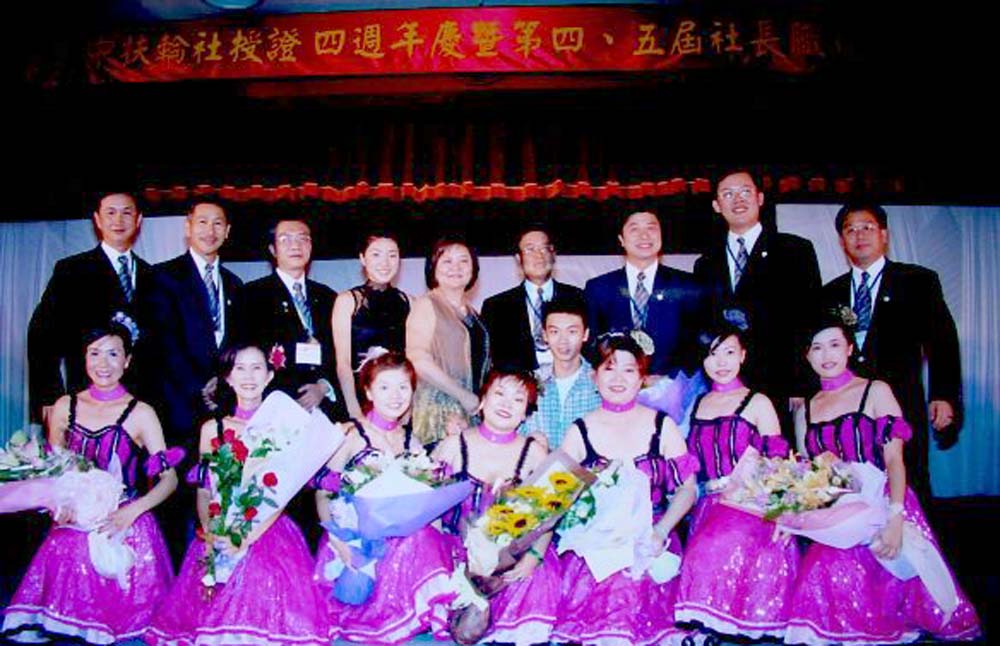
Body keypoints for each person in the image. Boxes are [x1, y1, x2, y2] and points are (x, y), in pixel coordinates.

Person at [784, 308, 979, 644]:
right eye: (817, 347)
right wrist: (785, 516)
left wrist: (895, 518)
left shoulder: (875, 391)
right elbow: (808, 477)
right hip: (835, 515)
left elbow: (894, 461)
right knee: (819, 579)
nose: (826, 355)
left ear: (850, 348)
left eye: (834, 344)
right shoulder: (806, 410)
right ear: (807, 356)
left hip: (885, 503)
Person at [3, 324, 179, 644]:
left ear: (127, 361)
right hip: (74, 519)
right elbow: (54, 470)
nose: (103, 363)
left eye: (113, 354)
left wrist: (132, 511)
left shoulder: (141, 412)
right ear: (83, 359)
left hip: (124, 521)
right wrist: (59, 504)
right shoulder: (64, 406)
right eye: (94, 354)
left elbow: (170, 479)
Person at [147, 343, 331, 646]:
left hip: (268, 528)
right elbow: (205, 489)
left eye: (257, 368)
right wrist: (210, 533)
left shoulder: (286, 426)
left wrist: (246, 537)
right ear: (227, 378)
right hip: (220, 526)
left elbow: (282, 493)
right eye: (239, 368)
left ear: (270, 375)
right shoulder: (213, 428)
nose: (249, 376)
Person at [553, 333, 698, 646]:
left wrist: (661, 531)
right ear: (594, 377)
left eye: (629, 370)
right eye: (609, 368)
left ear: (642, 379)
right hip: (596, 538)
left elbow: (688, 488)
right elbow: (554, 495)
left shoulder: (662, 425)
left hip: (652, 534)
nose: (618, 378)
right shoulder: (580, 430)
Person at [821, 200, 963, 500]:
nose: (859, 235)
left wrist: (943, 395)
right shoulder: (830, 292)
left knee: (910, 483)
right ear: (841, 240)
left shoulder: (917, 281)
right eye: (850, 230)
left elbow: (942, 341)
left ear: (884, 234)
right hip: (848, 410)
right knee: (852, 490)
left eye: (867, 227)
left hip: (901, 401)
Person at [313, 351, 453, 645]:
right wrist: (339, 542)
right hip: (353, 538)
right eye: (385, 387)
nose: (395, 396)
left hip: (404, 541)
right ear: (368, 391)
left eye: (403, 387)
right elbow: (324, 493)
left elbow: (426, 503)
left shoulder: (412, 442)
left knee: (427, 536)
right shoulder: (351, 435)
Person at [674, 312, 798, 640]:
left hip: (751, 508)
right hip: (707, 508)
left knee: (713, 554)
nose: (721, 362)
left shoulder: (757, 401)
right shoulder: (697, 403)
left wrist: (785, 515)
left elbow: (777, 461)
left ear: (743, 355)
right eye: (712, 353)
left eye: (729, 352)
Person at [434, 369, 560, 645]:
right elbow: (428, 510)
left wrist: (533, 558)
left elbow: (549, 518)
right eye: (499, 394)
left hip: (513, 558)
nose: (506, 404)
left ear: (525, 413)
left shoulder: (535, 453)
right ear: (482, 400)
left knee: (535, 579)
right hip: (456, 552)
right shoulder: (453, 445)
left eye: (518, 399)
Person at [693, 169, 821, 412]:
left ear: (760, 198)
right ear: (716, 205)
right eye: (728, 194)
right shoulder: (706, 262)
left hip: (780, 382)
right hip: (725, 384)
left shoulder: (794, 250)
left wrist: (801, 382)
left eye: (745, 192)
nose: (738, 199)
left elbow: (809, 318)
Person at [28, 191, 151, 424]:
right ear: (97, 219)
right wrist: (49, 396)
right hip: (85, 399)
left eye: (127, 213)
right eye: (110, 213)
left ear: (138, 220)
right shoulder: (71, 271)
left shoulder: (153, 275)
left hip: (140, 403)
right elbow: (41, 337)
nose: (118, 220)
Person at [143, 201, 244, 448]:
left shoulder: (235, 284)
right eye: (202, 222)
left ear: (227, 231)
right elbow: (162, 342)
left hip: (225, 404)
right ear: (188, 228)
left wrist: (223, 383)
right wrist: (200, 386)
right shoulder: (163, 277)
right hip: (178, 404)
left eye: (217, 223)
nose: (210, 231)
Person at [584, 210, 708, 380]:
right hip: (617, 385)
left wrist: (669, 381)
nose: (644, 236)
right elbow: (591, 344)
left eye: (651, 228)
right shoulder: (599, 288)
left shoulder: (687, 286)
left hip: (673, 386)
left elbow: (697, 343)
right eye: (634, 229)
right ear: (621, 240)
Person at [243, 217, 343, 422]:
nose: (295, 245)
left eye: (303, 238)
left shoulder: (329, 297)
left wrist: (324, 387)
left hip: (325, 408)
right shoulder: (251, 296)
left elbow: (341, 354)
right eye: (285, 239)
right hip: (274, 409)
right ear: (273, 250)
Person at [406, 236, 490, 444]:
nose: (456, 267)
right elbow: (418, 359)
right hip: (438, 414)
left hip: (471, 414)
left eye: (463, 260)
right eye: (447, 261)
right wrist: (462, 395)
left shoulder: (473, 313)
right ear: (433, 267)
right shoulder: (425, 305)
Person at [481, 225, 584, 374]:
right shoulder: (495, 306)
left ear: (553, 254)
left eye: (544, 248)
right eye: (530, 249)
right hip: (518, 385)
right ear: (519, 259)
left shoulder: (578, 297)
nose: (539, 256)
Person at [332, 232, 410, 420]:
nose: (385, 262)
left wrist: (408, 412)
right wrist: (355, 412)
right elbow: (343, 363)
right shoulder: (347, 301)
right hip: (359, 398)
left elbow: (413, 362)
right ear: (362, 258)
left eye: (392, 255)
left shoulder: (410, 303)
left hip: (398, 400)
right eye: (376, 254)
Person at [520, 294, 600, 449]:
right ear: (545, 335)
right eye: (555, 332)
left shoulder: (599, 383)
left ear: (585, 334)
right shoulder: (530, 383)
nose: (563, 340)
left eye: (572, 332)